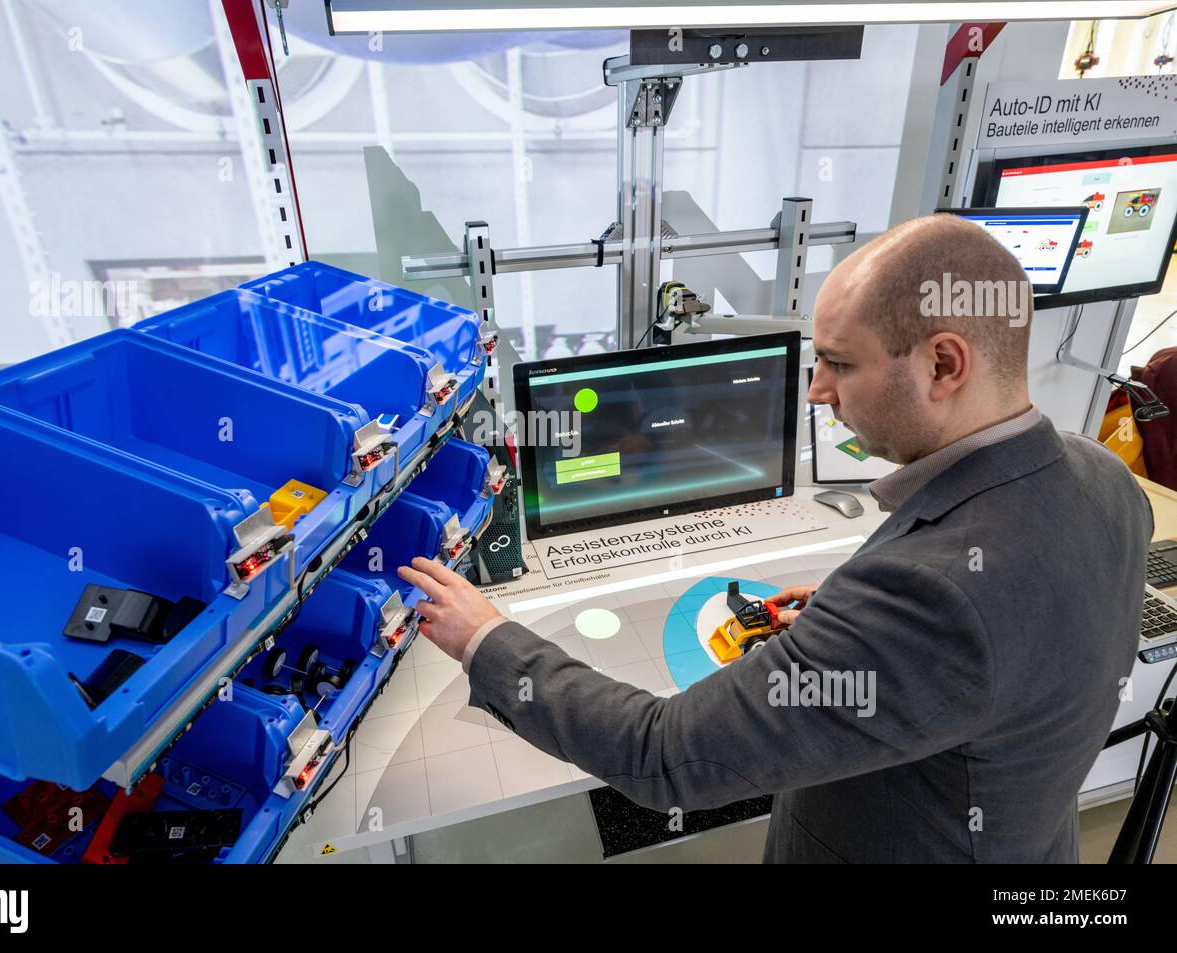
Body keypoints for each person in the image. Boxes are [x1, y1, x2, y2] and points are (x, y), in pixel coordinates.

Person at [397, 214, 1153, 863]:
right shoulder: (1101, 476)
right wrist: (846, 623)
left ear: (943, 363)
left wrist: (487, 639)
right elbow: (1014, 635)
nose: (818, 389)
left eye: (838, 363)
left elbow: (660, 753)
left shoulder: (931, 597)